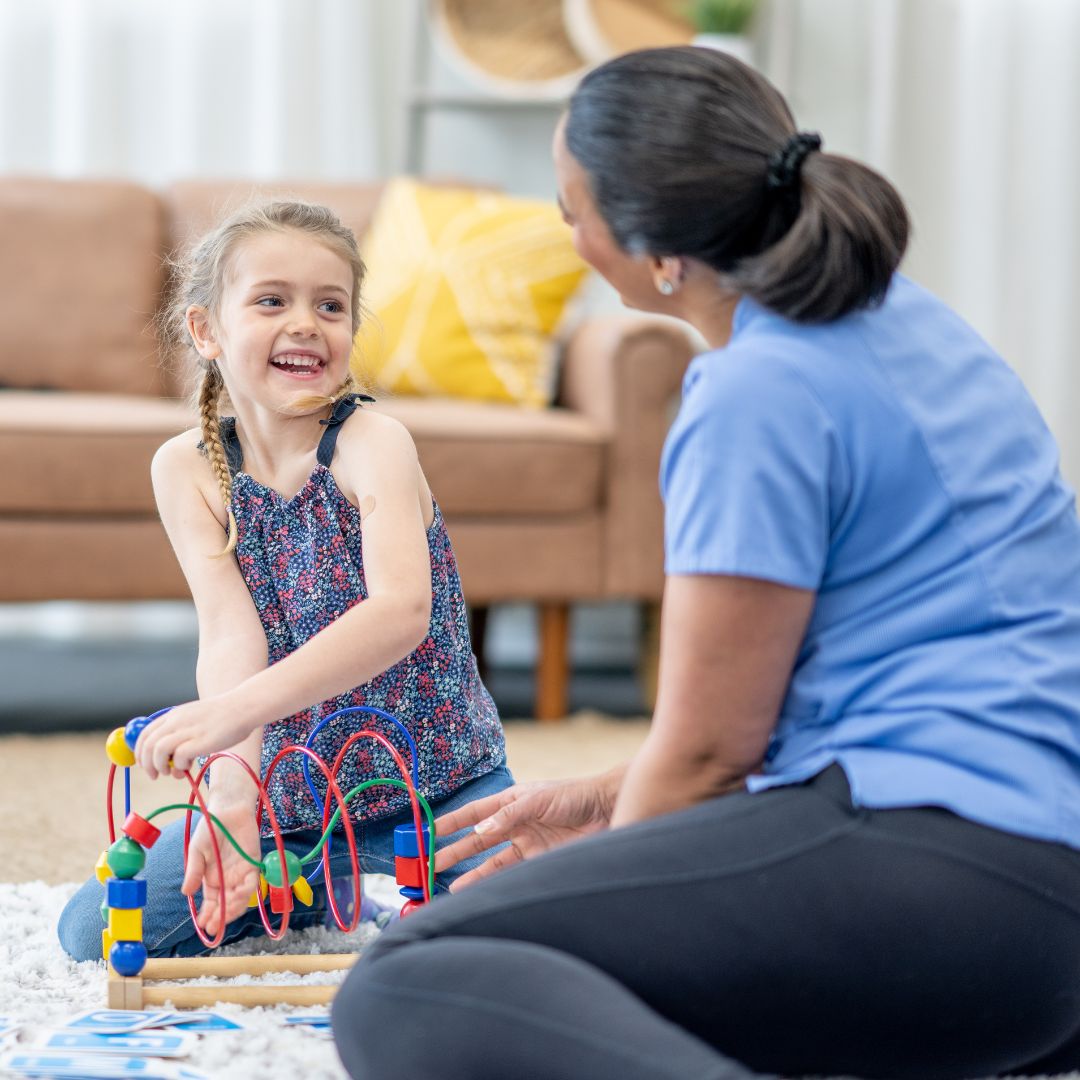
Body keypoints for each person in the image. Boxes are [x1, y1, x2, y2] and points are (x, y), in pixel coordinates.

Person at [329, 46, 1080, 1080]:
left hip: (951, 892)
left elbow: (707, 758)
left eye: (570, 205)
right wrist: (609, 800)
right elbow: (822, 694)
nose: (565, 230)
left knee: (413, 976)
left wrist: (625, 883)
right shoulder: (921, 326)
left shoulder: (753, 395)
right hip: (1041, 908)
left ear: (653, 249)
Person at [58, 200, 512, 961]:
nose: (306, 323)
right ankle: (312, 888)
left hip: (439, 785)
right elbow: (231, 633)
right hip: (291, 800)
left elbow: (400, 612)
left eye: (330, 306)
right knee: (93, 933)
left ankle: (341, 890)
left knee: (500, 942)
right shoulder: (185, 469)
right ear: (206, 330)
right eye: (272, 300)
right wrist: (233, 802)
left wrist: (229, 714)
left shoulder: (374, 442)